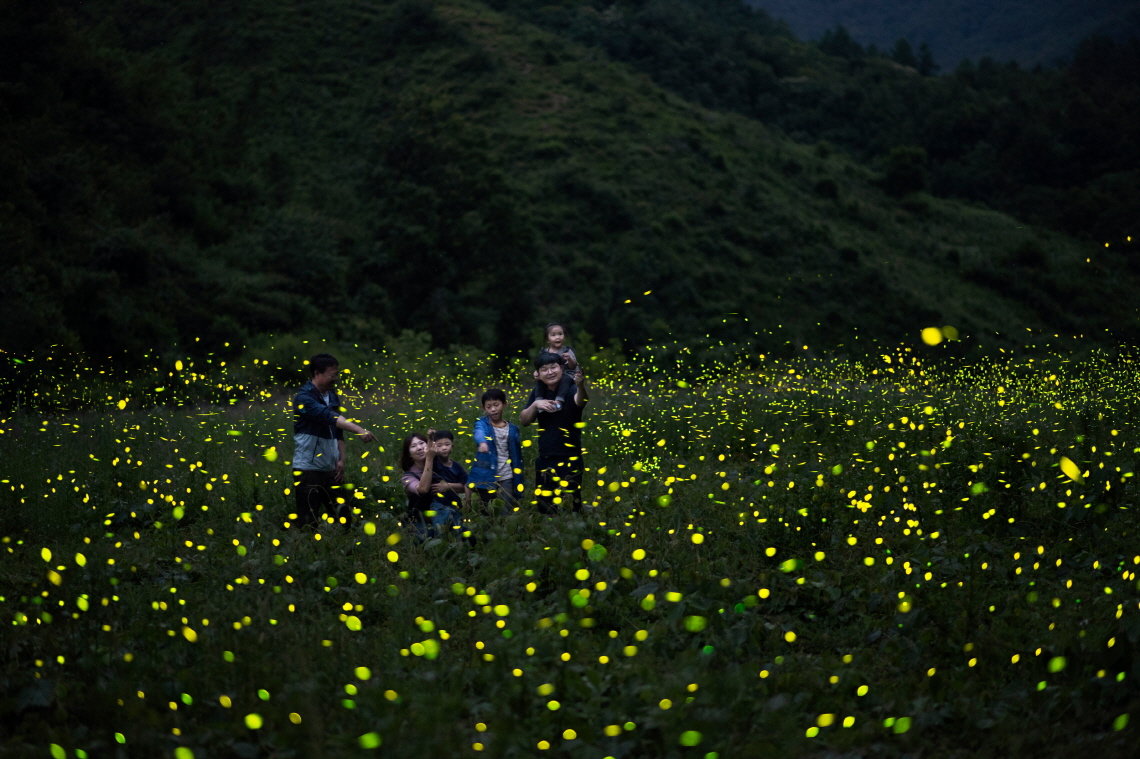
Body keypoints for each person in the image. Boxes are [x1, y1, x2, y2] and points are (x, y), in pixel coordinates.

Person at [291, 353, 375, 529]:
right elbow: (330, 417)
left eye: (337, 374)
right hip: (308, 468)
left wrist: (341, 460)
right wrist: (359, 430)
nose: (336, 378)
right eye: (332, 374)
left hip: (331, 468)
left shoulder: (332, 396)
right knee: (308, 520)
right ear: (317, 373)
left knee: (343, 516)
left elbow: (338, 431)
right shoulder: (303, 398)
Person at [520, 352, 588, 514]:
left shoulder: (571, 389)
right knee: (545, 508)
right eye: (544, 369)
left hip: (571, 457)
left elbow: (581, 400)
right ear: (538, 374)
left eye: (553, 367)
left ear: (561, 368)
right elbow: (524, 420)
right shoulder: (538, 394)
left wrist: (580, 385)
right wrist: (536, 405)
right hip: (546, 458)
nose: (550, 372)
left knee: (572, 506)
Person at [400, 431, 464, 540]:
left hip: (447, 512)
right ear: (409, 455)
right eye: (414, 446)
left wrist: (448, 485)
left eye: (421, 443)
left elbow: (463, 486)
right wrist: (429, 459)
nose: (419, 448)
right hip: (423, 520)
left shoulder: (441, 465)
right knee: (430, 539)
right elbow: (423, 489)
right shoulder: (407, 477)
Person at [467, 388, 524, 509]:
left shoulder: (513, 429)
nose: (493, 409)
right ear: (484, 408)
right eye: (488, 406)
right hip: (487, 474)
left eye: (496, 405)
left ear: (504, 404)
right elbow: (479, 432)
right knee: (488, 508)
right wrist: (482, 442)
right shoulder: (482, 424)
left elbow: (517, 455)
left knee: (506, 507)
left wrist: (518, 475)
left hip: (507, 474)